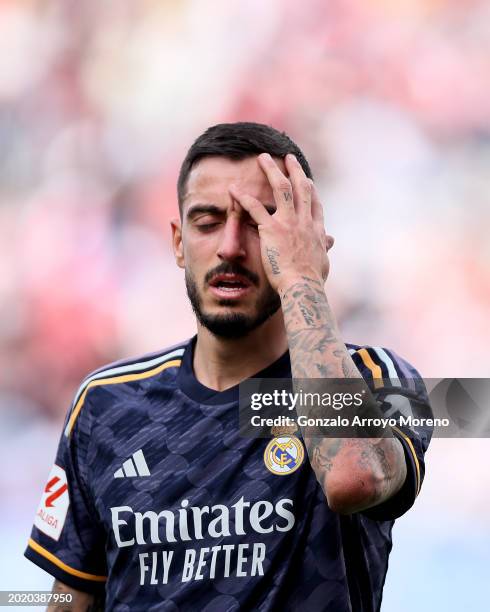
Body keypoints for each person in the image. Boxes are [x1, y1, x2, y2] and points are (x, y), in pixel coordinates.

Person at [25, 122, 431, 611]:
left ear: (304, 238)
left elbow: (352, 478)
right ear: (178, 242)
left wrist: (301, 279)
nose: (231, 248)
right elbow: (70, 602)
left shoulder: (383, 380)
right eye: (208, 221)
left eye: (261, 223)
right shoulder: (104, 403)